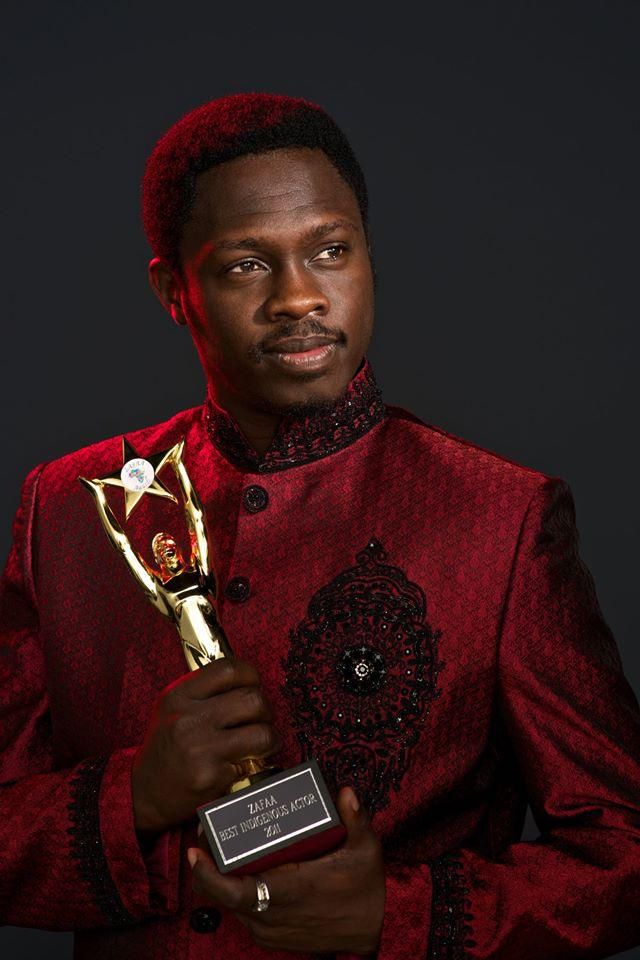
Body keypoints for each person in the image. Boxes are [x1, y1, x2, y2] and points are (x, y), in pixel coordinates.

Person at [1, 92, 639, 960]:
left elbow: (624, 860)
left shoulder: (503, 517)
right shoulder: (70, 509)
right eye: (245, 267)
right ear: (172, 291)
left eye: (330, 251)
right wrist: (134, 797)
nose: (300, 298)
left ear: (369, 257)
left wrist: (397, 918)